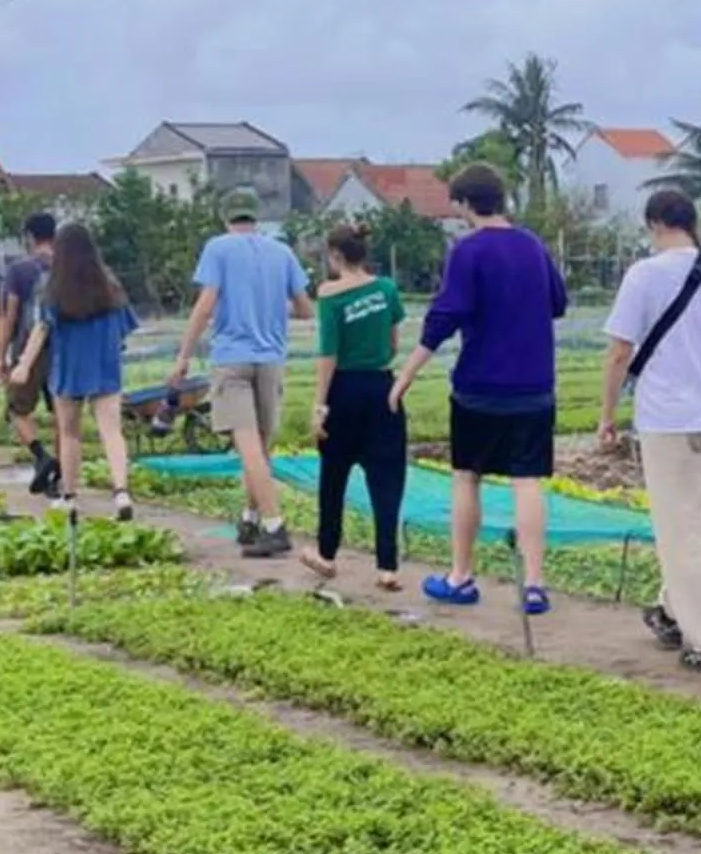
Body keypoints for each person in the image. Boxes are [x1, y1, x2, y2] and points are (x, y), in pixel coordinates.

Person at [600, 188, 701, 674]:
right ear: (692, 223)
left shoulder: (644, 276)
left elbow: (619, 352)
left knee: (689, 530)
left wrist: (607, 414)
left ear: (655, 225)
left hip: (670, 419)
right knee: (699, 523)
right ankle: (673, 611)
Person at [391, 163, 568, 612]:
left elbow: (443, 318)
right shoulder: (532, 246)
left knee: (466, 477)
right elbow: (558, 303)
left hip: (479, 387)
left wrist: (407, 373)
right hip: (533, 385)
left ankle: (461, 577)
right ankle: (532, 584)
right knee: (527, 481)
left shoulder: (467, 252)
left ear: (466, 204)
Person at [170, 186, 312, 557]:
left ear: (225, 217)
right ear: (256, 216)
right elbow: (305, 308)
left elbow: (206, 304)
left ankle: (274, 524)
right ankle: (250, 518)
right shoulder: (281, 252)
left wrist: (184, 355)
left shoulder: (218, 248)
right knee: (261, 447)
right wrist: (272, 308)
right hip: (272, 358)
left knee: (246, 445)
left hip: (232, 357)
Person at [11, 221, 139, 521]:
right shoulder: (109, 282)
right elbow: (125, 327)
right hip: (105, 365)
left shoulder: (53, 284)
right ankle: (121, 492)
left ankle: (69, 496)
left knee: (69, 433)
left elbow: (41, 329)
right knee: (111, 431)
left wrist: (24, 365)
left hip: (68, 366)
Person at [308, 223, 410, 590]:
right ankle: (387, 566)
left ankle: (326, 553)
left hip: (344, 389)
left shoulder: (329, 295)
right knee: (387, 479)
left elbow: (328, 353)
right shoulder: (385, 289)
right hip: (383, 388)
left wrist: (319, 404)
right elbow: (394, 342)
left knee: (333, 476)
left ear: (335, 256)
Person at [0, 211, 60, 497]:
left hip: (29, 348)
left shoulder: (19, 269)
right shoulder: (71, 266)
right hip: (65, 348)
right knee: (64, 412)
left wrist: (1, 355)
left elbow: (10, 315)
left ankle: (40, 456)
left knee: (17, 409)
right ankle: (61, 473)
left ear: (29, 237)